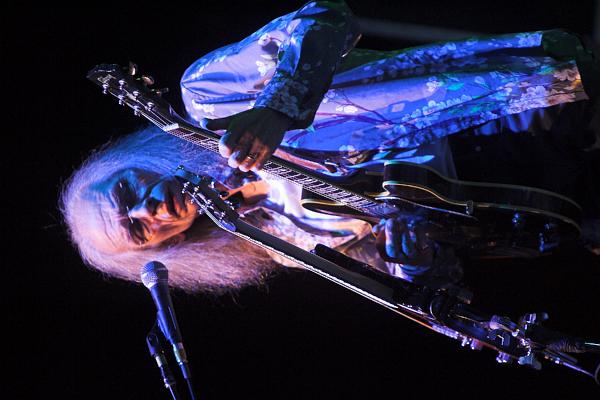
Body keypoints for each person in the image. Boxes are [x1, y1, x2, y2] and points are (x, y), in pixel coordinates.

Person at [61, 0, 600, 294]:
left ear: (135, 163)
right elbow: (421, 284)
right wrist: (414, 264)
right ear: (166, 244)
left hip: (504, 109)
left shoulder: (208, 99)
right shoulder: (278, 241)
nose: (148, 207)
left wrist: (278, 107)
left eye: (126, 191)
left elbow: (326, 18)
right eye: (137, 228)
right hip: (527, 204)